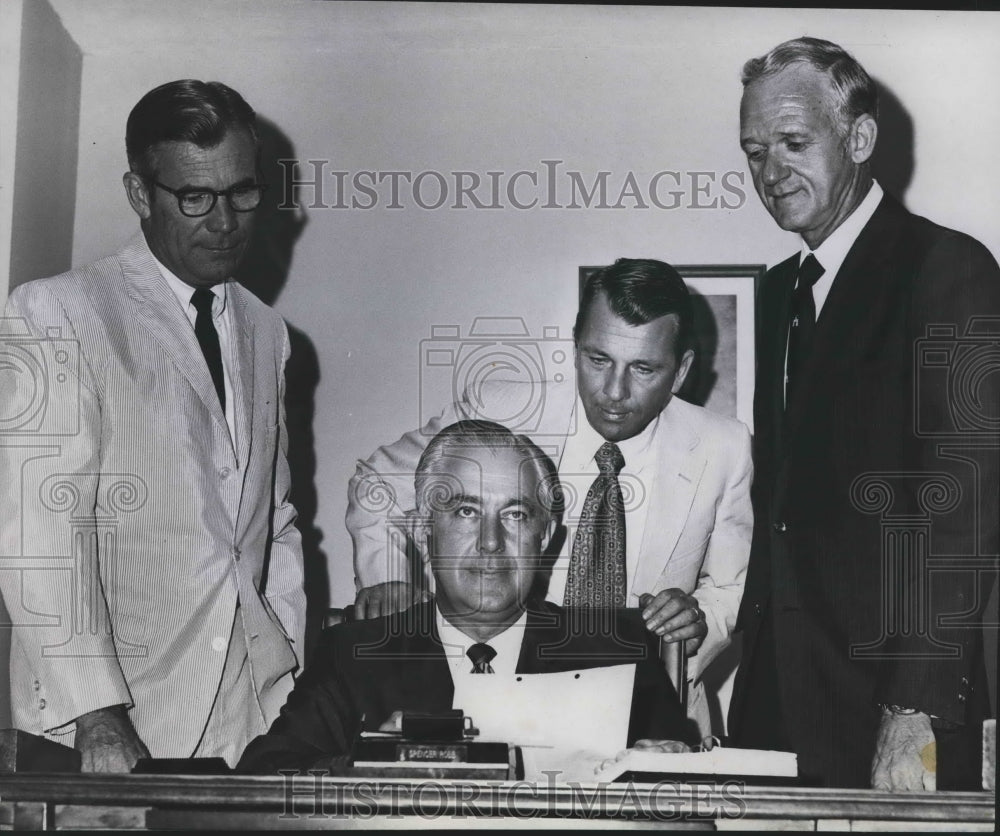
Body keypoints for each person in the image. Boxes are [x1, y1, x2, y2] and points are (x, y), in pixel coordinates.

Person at [0, 80, 305, 771]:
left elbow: (273, 522)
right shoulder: (57, 312)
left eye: (243, 192)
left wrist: (287, 672)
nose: (225, 222)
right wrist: (98, 717)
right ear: (141, 194)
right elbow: (37, 534)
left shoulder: (267, 329)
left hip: (247, 719)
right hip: (107, 730)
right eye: (194, 198)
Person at [729, 36, 1000, 790]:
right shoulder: (779, 290)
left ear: (859, 137)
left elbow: (966, 508)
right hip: (778, 703)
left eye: (792, 142)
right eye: (754, 151)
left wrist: (914, 705)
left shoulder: (950, 269)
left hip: (897, 710)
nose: (770, 172)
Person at [347, 258, 753, 733]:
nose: (614, 392)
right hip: (500, 708)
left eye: (643, 368)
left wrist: (696, 620)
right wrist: (390, 580)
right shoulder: (506, 409)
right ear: (576, 346)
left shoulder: (724, 446)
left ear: (680, 372)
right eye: (597, 360)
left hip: (655, 718)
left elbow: (730, 588)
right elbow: (377, 482)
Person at [238, 420, 695, 773]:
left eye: (515, 514)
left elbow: (690, 791)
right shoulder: (356, 655)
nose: (491, 542)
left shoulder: (615, 652)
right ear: (423, 532)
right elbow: (264, 777)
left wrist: (658, 769)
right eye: (465, 511)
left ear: (545, 537)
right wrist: (376, 766)